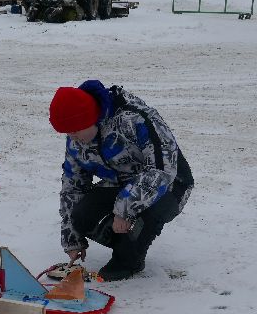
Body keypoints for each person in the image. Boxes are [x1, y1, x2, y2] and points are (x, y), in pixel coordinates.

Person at [48, 80, 193, 281]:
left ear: (90, 118)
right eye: (67, 132)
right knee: (80, 215)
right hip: (120, 183)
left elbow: (162, 170)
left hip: (170, 184)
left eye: (74, 130)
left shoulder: (135, 118)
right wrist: (73, 238)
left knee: (147, 213)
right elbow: (73, 186)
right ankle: (128, 241)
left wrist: (124, 209)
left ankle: (128, 259)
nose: (72, 137)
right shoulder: (77, 137)